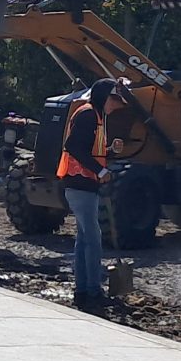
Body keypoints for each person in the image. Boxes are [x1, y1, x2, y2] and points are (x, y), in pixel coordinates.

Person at [58, 77, 128, 310]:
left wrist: (109, 152)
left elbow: (89, 149)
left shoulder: (96, 117)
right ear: (102, 96)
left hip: (83, 183)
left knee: (84, 239)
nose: (114, 105)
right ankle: (93, 291)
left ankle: (83, 290)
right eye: (112, 99)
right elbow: (74, 146)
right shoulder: (88, 114)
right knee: (93, 239)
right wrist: (101, 170)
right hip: (80, 183)